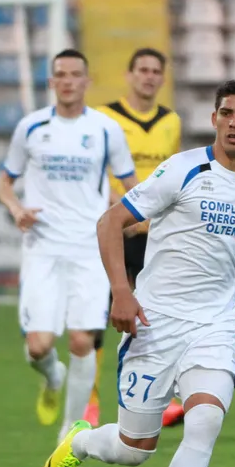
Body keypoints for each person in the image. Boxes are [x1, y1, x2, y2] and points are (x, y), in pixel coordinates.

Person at [41, 77, 235, 467]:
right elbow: (110, 223)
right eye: (227, 113)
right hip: (156, 324)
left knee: (205, 420)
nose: (234, 123)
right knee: (134, 449)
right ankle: (81, 441)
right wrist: (122, 291)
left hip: (213, 327)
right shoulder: (182, 170)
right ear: (214, 118)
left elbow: (225, 263)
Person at [0, 49, 138, 444]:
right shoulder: (31, 127)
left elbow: (132, 185)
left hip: (90, 248)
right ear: (51, 82)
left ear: (86, 81)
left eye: (76, 74)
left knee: (81, 339)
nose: (69, 81)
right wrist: (16, 209)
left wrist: (144, 217)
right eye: (61, 74)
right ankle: (52, 376)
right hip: (42, 248)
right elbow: (4, 182)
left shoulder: (106, 130)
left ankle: (70, 434)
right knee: (38, 346)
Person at [88, 48, 184, 431]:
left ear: (162, 78)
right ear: (129, 75)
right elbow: (92, 171)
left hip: (153, 233)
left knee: (155, 315)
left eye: (155, 71)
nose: (148, 76)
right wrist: (120, 207)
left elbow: (173, 172)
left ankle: (159, 399)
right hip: (115, 226)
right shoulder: (105, 117)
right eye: (142, 70)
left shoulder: (171, 121)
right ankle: (90, 400)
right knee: (99, 313)